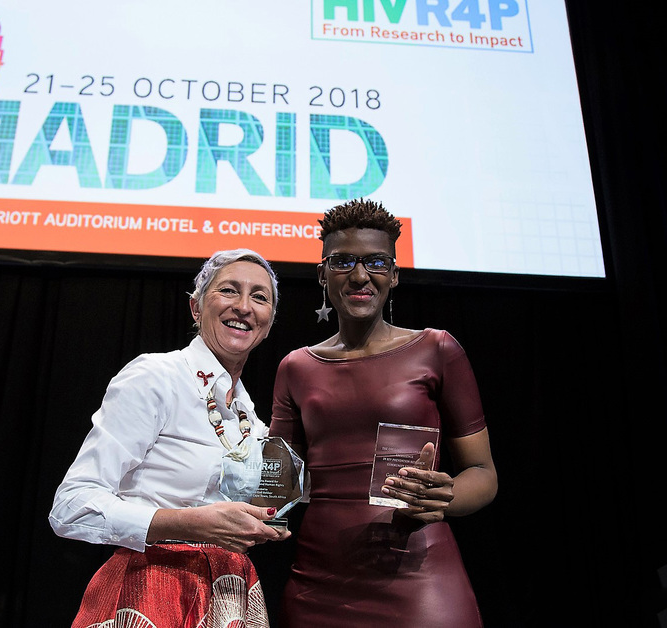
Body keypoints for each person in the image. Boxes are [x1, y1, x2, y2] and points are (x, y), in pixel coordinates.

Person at [269, 199, 498, 627]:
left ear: (393, 274)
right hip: (319, 584)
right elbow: (276, 487)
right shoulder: (295, 367)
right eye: (343, 262)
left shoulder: (437, 349)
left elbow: (483, 474)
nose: (360, 276)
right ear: (323, 274)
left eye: (376, 262)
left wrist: (443, 498)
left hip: (420, 577)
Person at [49, 249, 291, 628]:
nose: (244, 306)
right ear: (196, 307)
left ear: (269, 322)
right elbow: (71, 507)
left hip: (228, 596)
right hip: (149, 587)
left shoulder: (251, 417)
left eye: (259, 297)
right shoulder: (156, 377)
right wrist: (189, 524)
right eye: (229, 290)